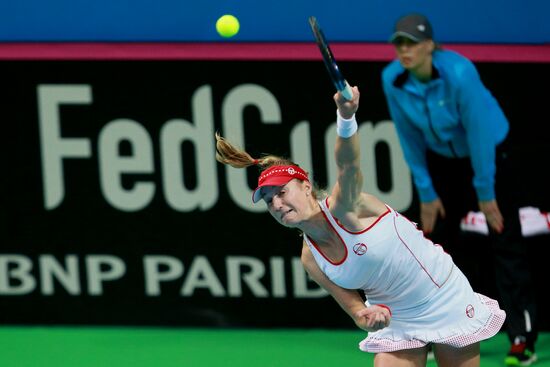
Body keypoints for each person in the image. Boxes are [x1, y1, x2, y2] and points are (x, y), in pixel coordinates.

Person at [215, 86, 505, 367]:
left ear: (305, 187)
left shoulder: (346, 207)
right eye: (268, 201)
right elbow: (356, 309)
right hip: (397, 316)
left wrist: (346, 116)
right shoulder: (310, 257)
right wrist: (367, 316)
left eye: (282, 193)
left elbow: (348, 164)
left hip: (441, 296)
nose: (276, 204)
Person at [381, 13, 538, 366]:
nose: (404, 50)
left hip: (488, 157)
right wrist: (426, 191)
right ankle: (447, 333)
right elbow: (408, 138)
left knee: (504, 240)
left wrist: (485, 192)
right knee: (439, 248)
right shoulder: (393, 80)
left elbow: (480, 134)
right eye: (399, 44)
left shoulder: (460, 74)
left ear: (430, 45)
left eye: (411, 43)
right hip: (442, 163)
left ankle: (521, 337)